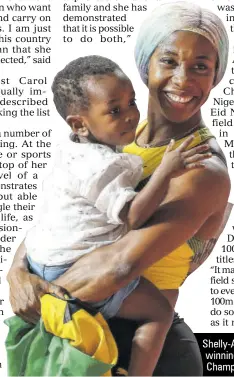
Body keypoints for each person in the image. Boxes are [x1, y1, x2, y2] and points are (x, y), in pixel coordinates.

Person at [7, 1, 230, 375]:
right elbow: (62, 213)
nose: (183, 80)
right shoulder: (122, 138)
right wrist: (17, 272)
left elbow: (119, 265)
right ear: (146, 65)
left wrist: (41, 294)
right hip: (85, 335)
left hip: (147, 353)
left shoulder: (199, 167)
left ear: (216, 76)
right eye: (170, 61)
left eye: (201, 67)